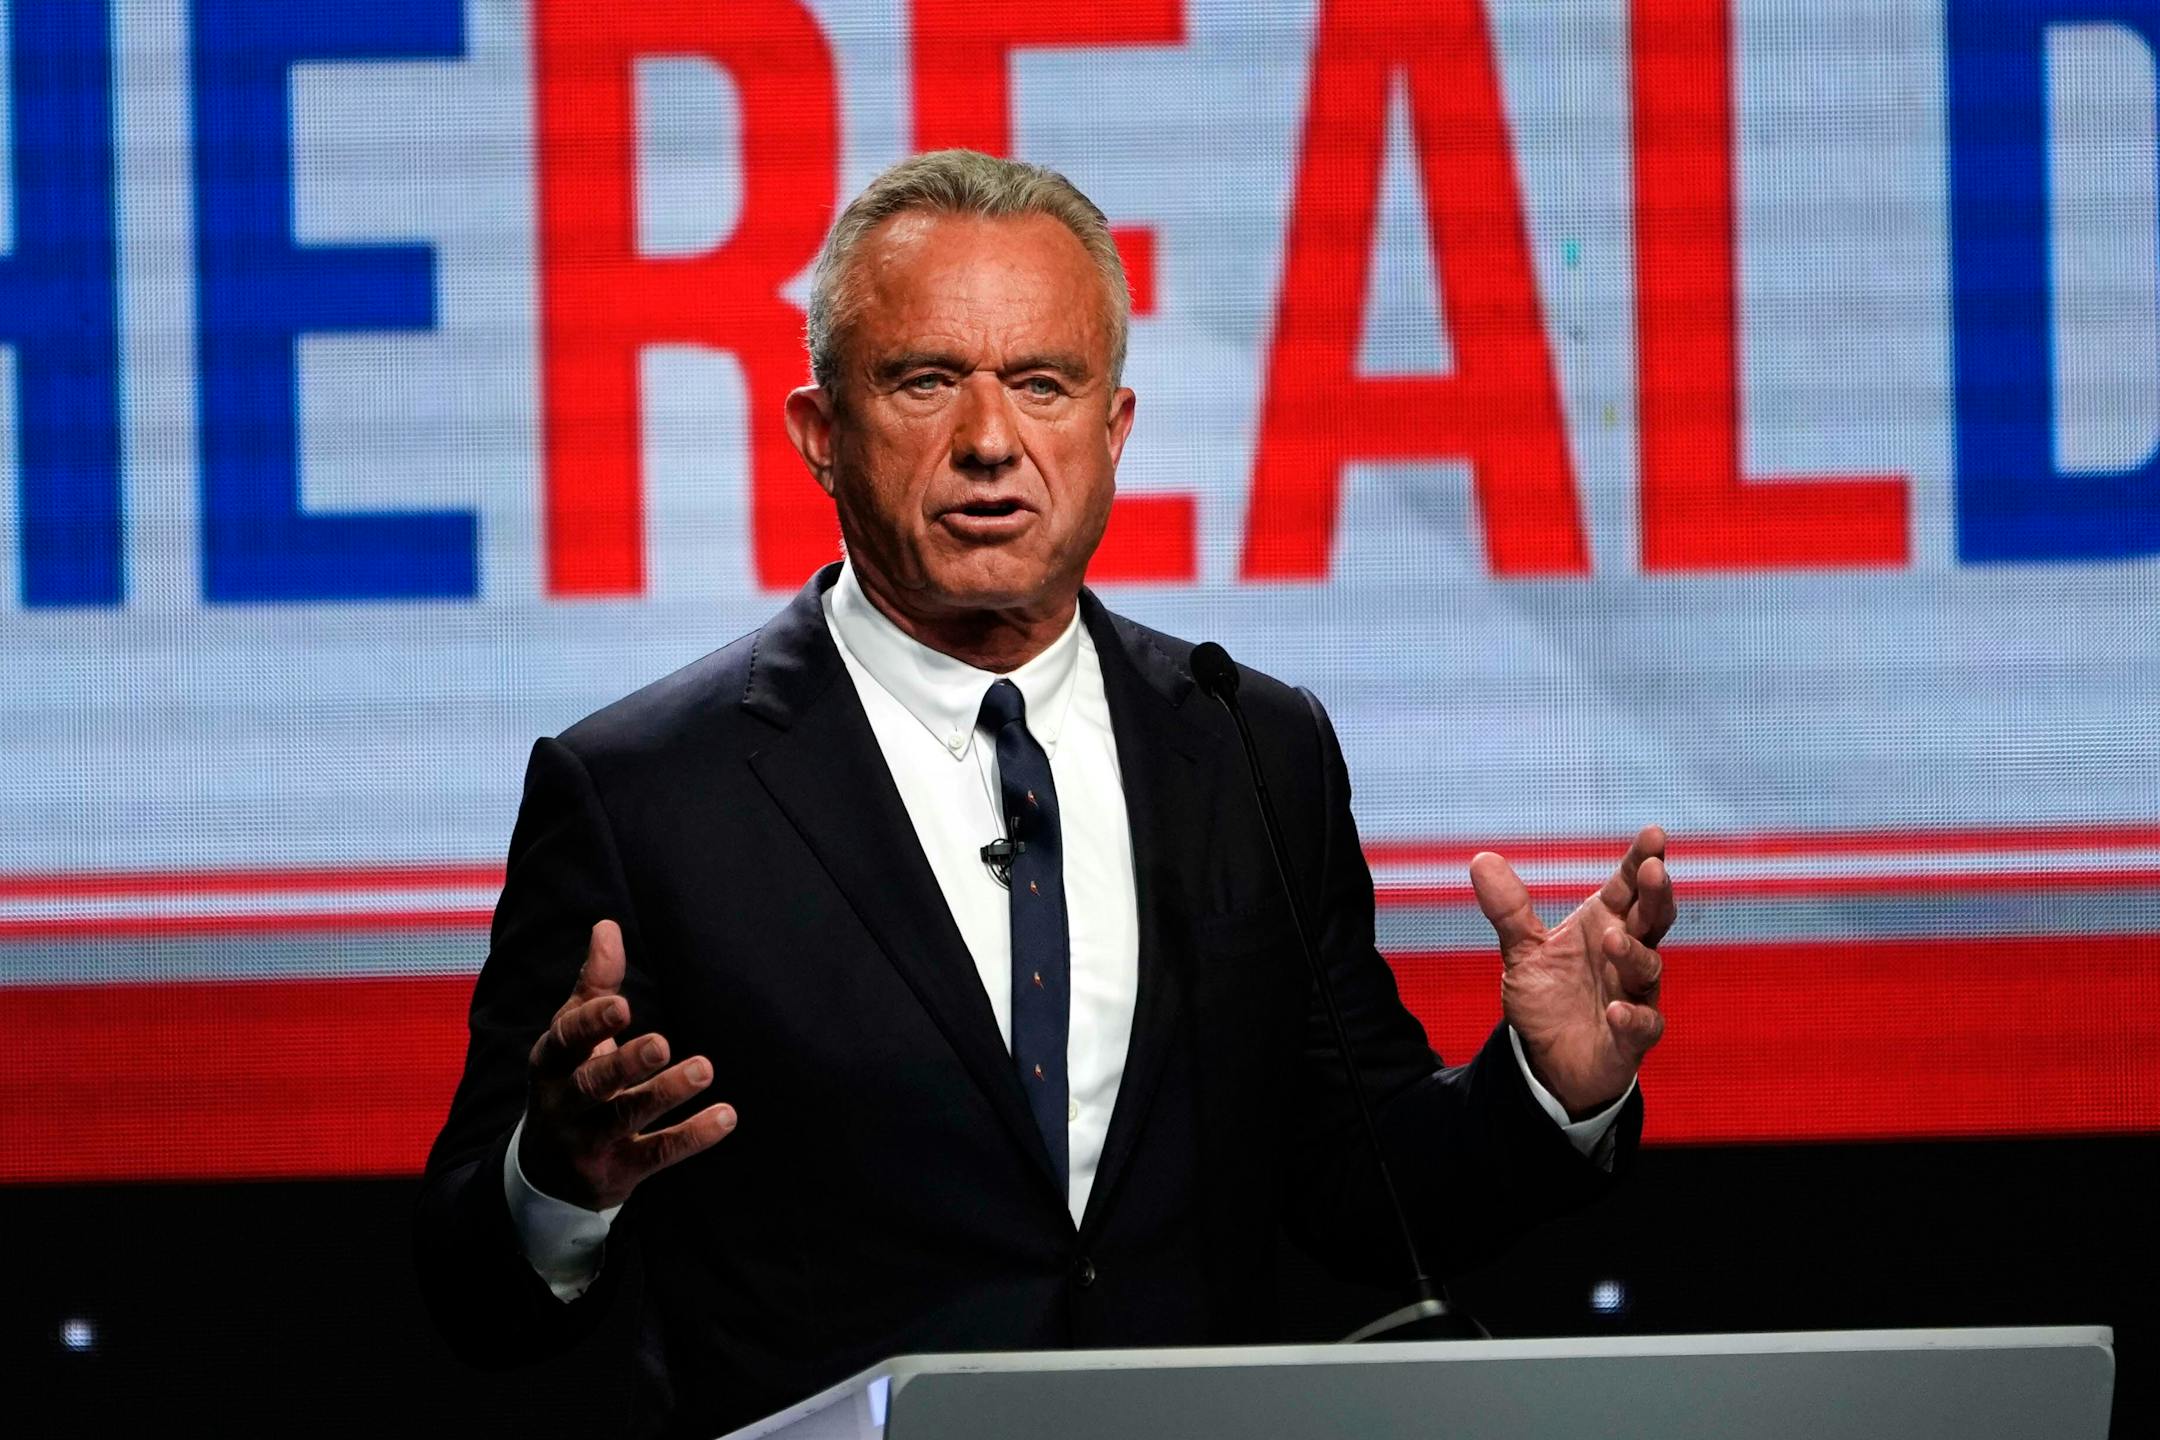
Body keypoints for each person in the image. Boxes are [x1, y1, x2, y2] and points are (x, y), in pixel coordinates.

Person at [416, 149, 1673, 1439]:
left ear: (1113, 431)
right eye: (925, 381)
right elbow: (471, 1293)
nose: (988, 442)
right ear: (819, 435)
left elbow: (1361, 1190)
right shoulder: (643, 794)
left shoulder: (1250, 748)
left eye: (1042, 384)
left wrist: (1544, 1089)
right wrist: (560, 1183)